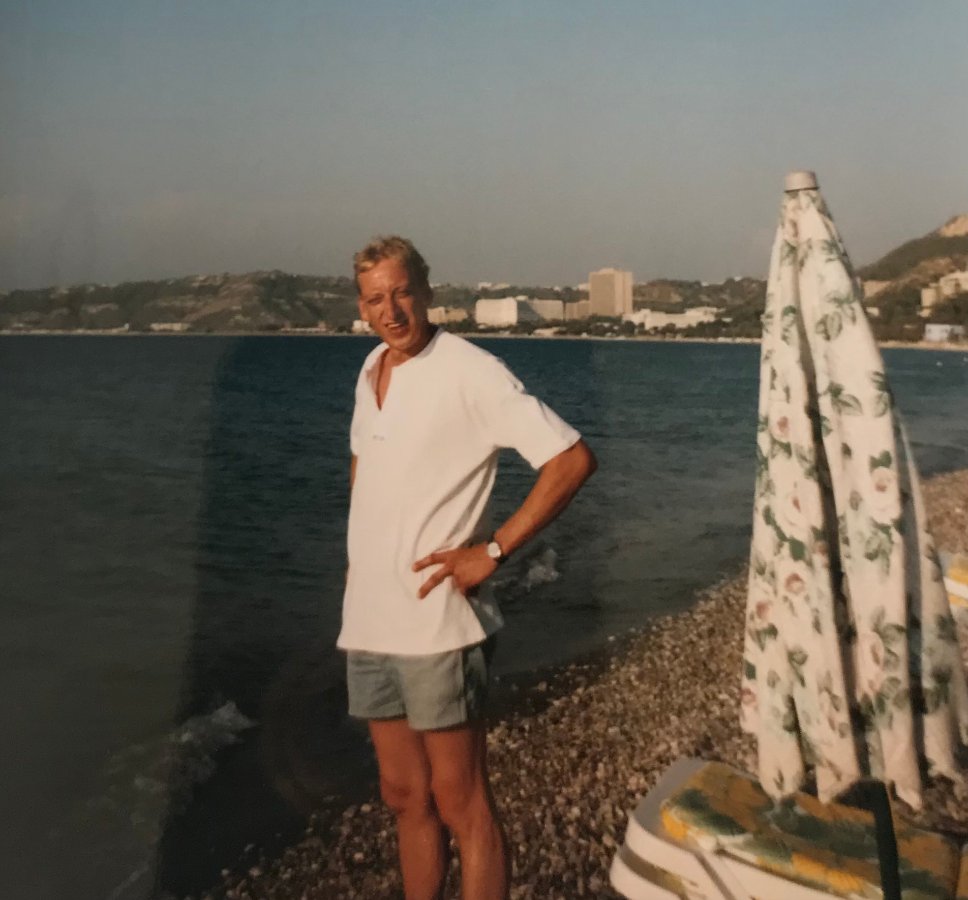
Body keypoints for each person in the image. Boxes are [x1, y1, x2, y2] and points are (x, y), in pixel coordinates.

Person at [339, 236, 596, 899]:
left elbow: (569, 460)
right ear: (362, 307)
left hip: (440, 623)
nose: (391, 310)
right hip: (370, 620)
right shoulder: (370, 369)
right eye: (375, 299)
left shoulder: (471, 370)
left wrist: (494, 552)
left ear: (426, 291)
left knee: (461, 801)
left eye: (402, 293)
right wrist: (363, 557)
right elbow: (365, 462)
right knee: (402, 794)